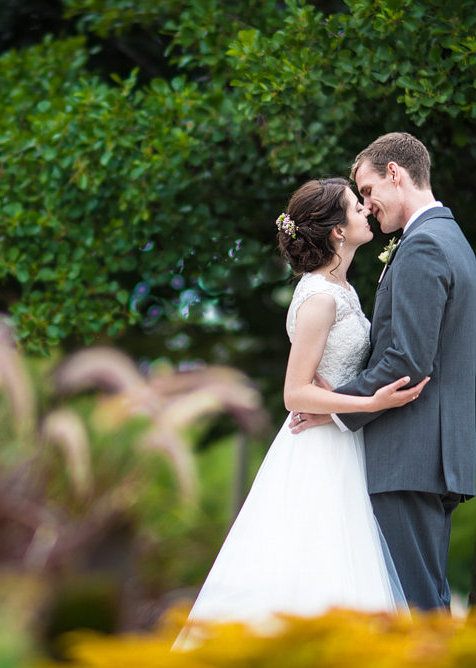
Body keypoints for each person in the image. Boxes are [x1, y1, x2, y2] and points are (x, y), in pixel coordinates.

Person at [173, 177, 427, 649]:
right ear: (337, 231)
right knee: (317, 563)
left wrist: (344, 403)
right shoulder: (319, 298)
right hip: (319, 451)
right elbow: (295, 393)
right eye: (356, 207)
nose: (367, 211)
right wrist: (368, 403)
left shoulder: (341, 289)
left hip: (340, 440)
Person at [290, 132, 476, 611]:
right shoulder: (449, 238)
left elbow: (407, 361)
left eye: (369, 190)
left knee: (420, 610)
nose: (368, 204)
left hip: (410, 455)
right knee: (423, 603)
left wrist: (338, 411)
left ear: (395, 173)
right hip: (431, 455)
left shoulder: (423, 246)